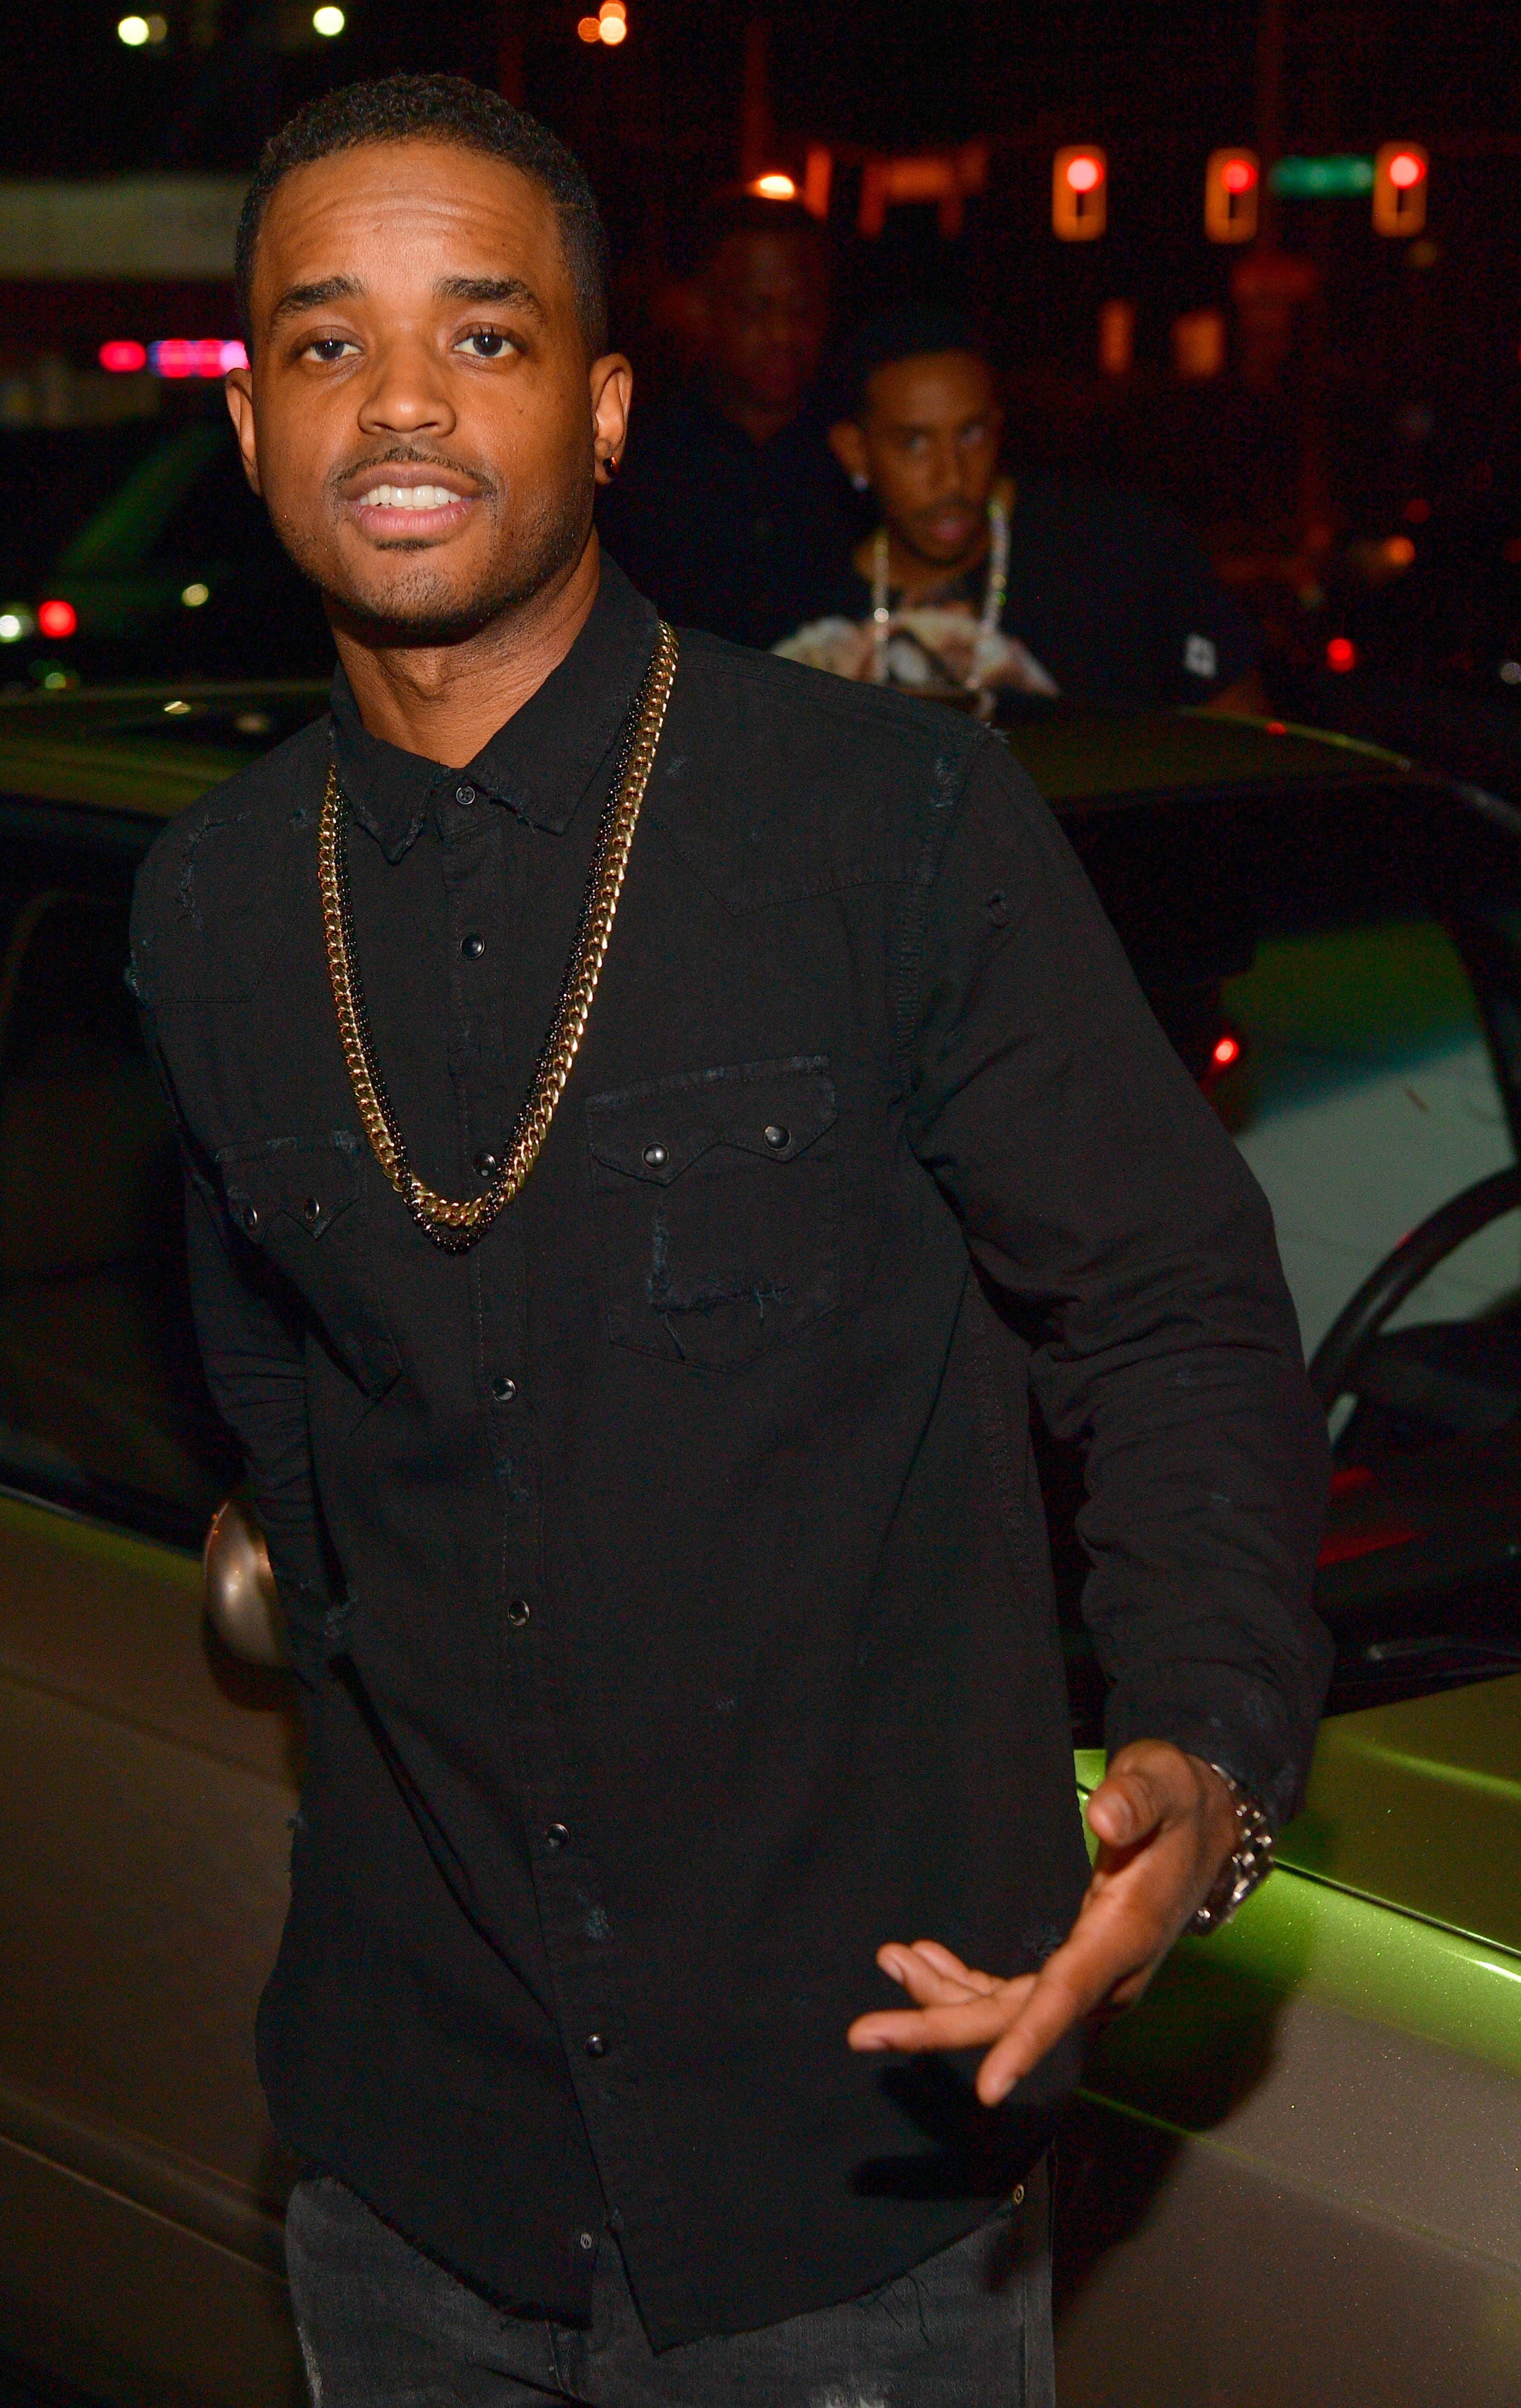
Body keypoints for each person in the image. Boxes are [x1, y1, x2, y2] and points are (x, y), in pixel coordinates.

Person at [130, 73, 1331, 2407]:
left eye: (482, 337)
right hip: (407, 2167)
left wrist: (1200, 1744)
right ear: (256, 422)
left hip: (846, 2161)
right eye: (324, 341)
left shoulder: (886, 822)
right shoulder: (206, 911)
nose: (399, 401)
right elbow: (281, 1396)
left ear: (600, 410)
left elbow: (1169, 1308)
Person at [777, 301, 1267, 715]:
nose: (952, 476)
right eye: (914, 444)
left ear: (997, 427)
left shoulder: (1119, 550)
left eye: (970, 434)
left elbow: (1239, 739)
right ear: (854, 451)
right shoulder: (803, 598)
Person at [596, 191, 854, 649]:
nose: (782, 334)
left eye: (801, 308)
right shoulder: (639, 460)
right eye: (756, 308)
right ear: (700, 308)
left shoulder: (860, 456)